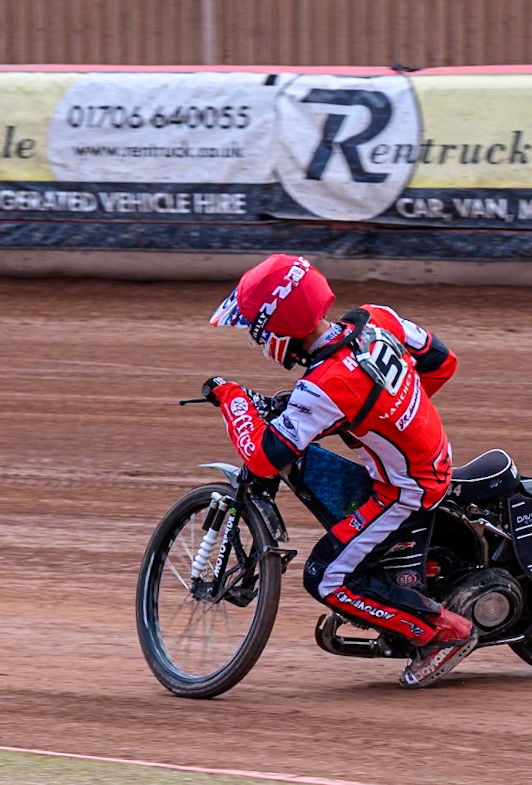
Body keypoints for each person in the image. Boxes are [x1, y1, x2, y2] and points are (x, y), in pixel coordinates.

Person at [203, 253, 477, 688]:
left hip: (406, 489)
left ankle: (444, 634)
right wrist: (394, 413)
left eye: (259, 334)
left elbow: (262, 457)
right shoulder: (375, 317)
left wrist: (232, 396)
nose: (259, 344)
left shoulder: (326, 385)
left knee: (326, 578)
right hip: (426, 457)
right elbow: (442, 362)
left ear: (279, 330)